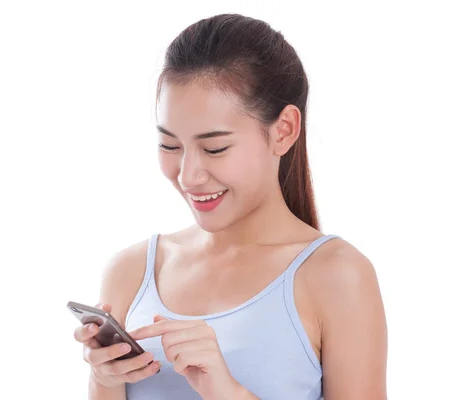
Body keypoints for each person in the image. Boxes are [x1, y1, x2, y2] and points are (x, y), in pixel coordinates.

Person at [72, 13, 388, 400]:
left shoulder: (337, 276)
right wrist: (102, 382)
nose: (188, 176)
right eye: (170, 145)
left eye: (215, 148)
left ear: (284, 130)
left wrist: (230, 392)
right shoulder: (130, 271)